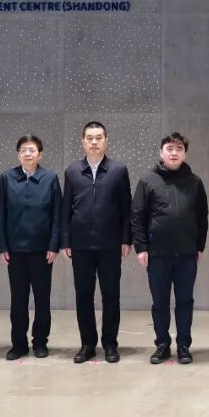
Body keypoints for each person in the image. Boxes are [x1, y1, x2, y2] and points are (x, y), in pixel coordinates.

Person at [132, 132, 209, 365]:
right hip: (157, 253)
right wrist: (141, 248)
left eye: (178, 149)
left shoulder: (195, 182)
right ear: (161, 152)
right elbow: (137, 216)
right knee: (160, 302)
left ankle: (184, 345)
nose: (174, 153)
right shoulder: (148, 180)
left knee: (185, 301)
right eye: (169, 148)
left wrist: (199, 246)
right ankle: (162, 345)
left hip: (187, 253)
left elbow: (202, 216)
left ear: (185, 153)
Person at [61, 121, 132, 364]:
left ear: (106, 141)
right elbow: (66, 209)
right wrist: (66, 241)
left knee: (111, 295)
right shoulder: (72, 171)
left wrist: (126, 239)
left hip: (110, 244)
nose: (94, 142)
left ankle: (110, 343)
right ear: (82, 142)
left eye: (98, 137)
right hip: (80, 245)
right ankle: (87, 344)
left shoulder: (118, 170)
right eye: (89, 138)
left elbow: (126, 208)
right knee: (83, 296)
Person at [0, 135, 62, 361]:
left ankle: (40, 342)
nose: (27, 154)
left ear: (40, 154)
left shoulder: (50, 178)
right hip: (15, 251)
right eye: (23, 150)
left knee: (42, 299)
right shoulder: (7, 178)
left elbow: (57, 214)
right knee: (18, 300)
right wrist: (2, 246)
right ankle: (18, 344)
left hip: (42, 251)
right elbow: (0, 214)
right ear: (18, 154)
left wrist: (54, 245)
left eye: (32, 150)